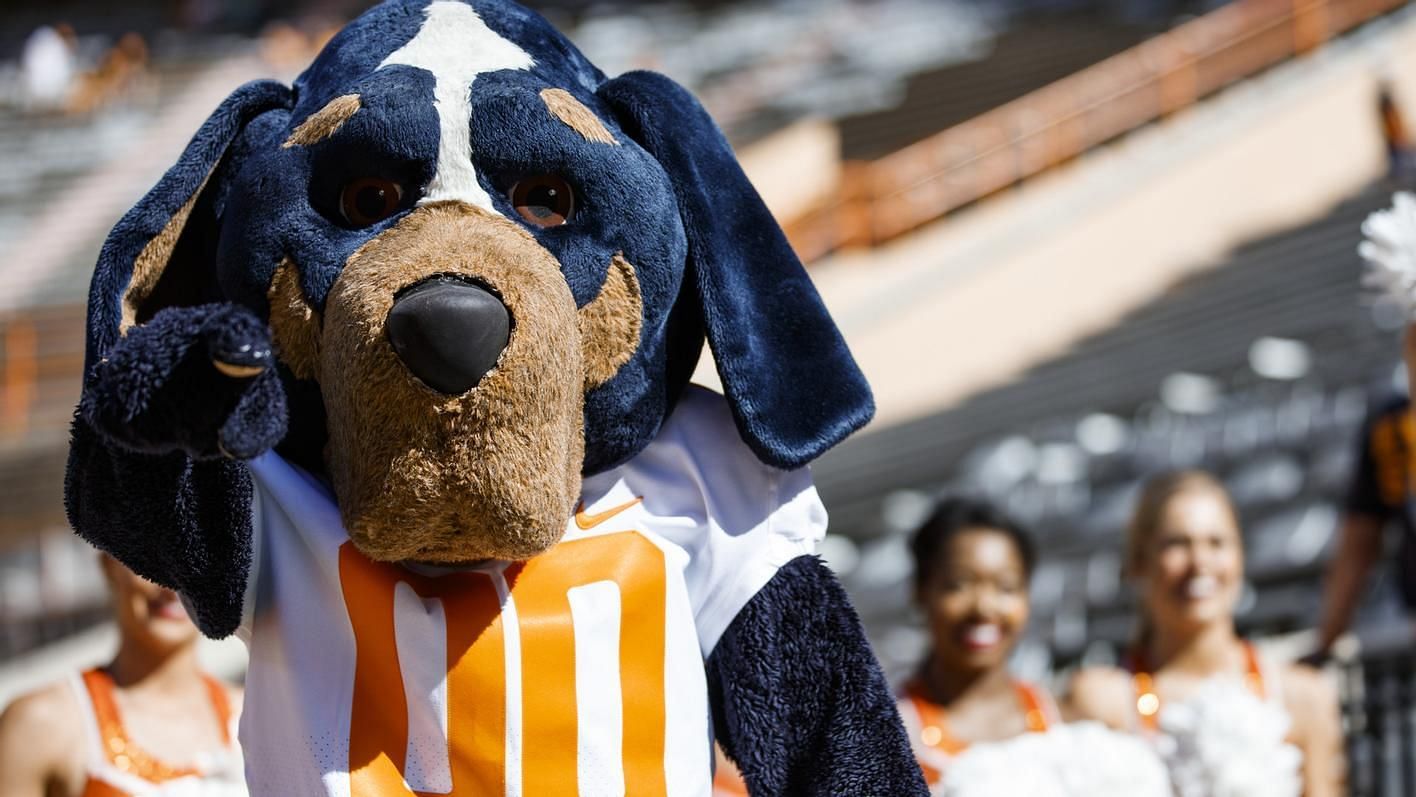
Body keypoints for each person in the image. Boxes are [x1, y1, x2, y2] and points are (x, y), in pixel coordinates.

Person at [1067, 471, 1342, 796]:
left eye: (1217, 542)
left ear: (1240, 557)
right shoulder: (1099, 700)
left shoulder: (1304, 696)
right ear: (1140, 562)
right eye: (1177, 544)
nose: (1200, 561)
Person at [0, 554, 245, 797]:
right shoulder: (41, 723)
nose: (172, 587)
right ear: (108, 565)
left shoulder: (253, 715)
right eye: (150, 560)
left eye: (194, 560)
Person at [897, 497, 1059, 790]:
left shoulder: (1064, 719)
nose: (984, 607)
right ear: (921, 591)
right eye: (958, 584)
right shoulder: (889, 738)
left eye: (1006, 587)